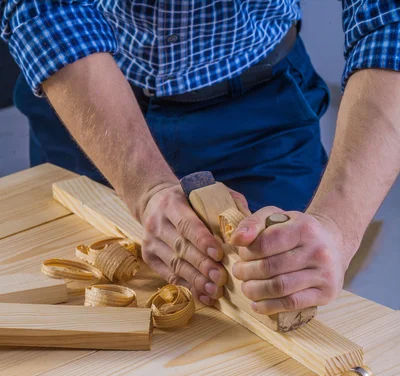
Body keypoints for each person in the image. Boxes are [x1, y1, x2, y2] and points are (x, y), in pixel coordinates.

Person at [1, 2, 399, 315]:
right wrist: (146, 188)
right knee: (73, 303)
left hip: (261, 103)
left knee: (285, 290)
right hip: (89, 93)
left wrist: (336, 226)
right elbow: (47, 10)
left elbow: (390, 24)